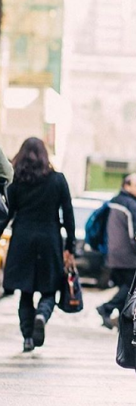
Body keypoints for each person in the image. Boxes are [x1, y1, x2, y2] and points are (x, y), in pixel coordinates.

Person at [0, 137, 75, 352]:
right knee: (50, 289)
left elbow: (7, 213)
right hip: (49, 240)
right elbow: (68, 214)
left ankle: (27, 338)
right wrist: (70, 246)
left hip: (22, 239)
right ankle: (42, 314)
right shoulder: (58, 180)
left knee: (25, 292)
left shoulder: (16, 182)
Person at [96, 173, 136, 329]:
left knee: (125, 286)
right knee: (133, 285)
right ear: (126, 186)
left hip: (112, 253)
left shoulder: (114, 202)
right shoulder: (131, 206)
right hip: (127, 256)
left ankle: (123, 322)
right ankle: (106, 308)